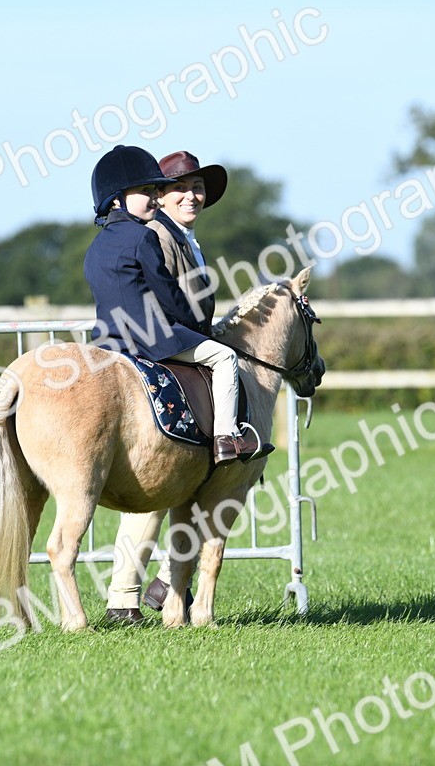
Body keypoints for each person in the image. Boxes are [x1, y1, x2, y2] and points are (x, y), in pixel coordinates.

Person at [92, 148, 270, 623]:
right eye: (180, 188)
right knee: (159, 469)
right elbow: (168, 299)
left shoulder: (185, 237)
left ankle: (161, 584)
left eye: (199, 188)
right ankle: (126, 592)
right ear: (159, 197)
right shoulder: (155, 235)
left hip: (169, 341)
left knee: (182, 476)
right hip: (160, 345)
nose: (193, 195)